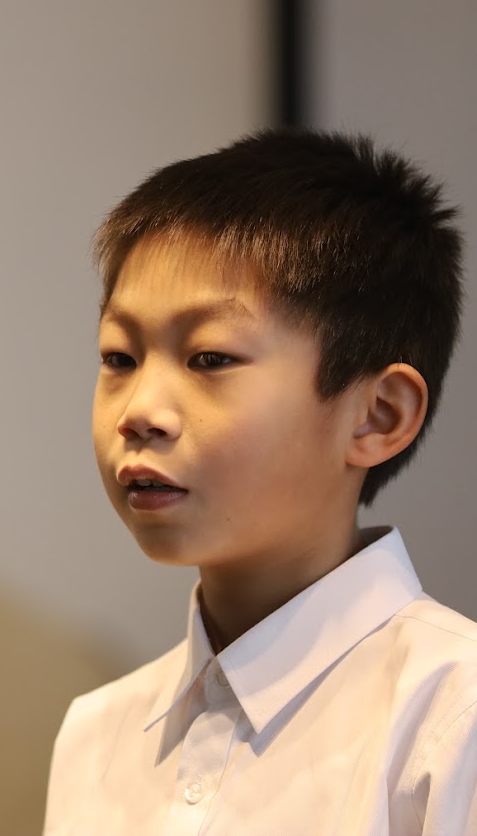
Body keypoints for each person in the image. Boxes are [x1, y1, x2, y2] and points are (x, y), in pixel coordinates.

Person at [43, 129, 477, 834]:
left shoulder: (452, 718)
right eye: (119, 357)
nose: (139, 411)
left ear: (377, 415)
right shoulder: (95, 735)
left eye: (209, 358)